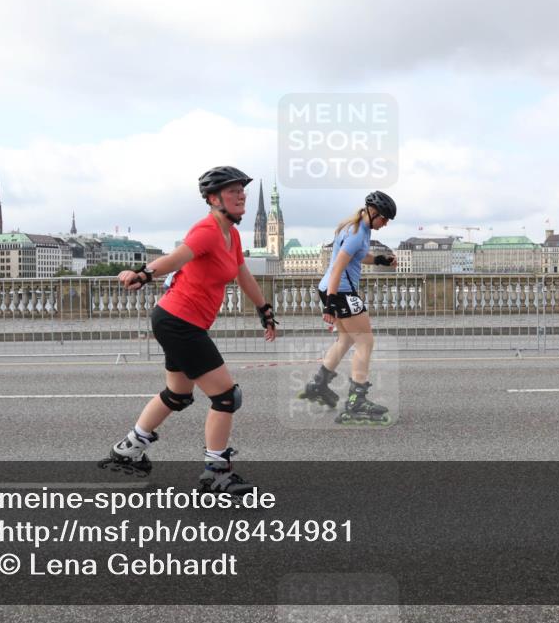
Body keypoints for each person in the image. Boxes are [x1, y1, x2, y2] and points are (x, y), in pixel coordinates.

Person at [103, 166, 278, 494]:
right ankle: (216, 474)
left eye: (242, 190)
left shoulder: (232, 235)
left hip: (178, 321)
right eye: (233, 190)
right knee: (226, 396)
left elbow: (243, 275)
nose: (241, 195)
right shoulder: (207, 230)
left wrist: (264, 309)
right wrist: (143, 274)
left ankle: (128, 449)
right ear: (213, 199)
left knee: (178, 395)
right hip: (179, 322)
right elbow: (177, 257)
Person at [300, 191, 397, 425]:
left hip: (331, 289)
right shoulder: (356, 234)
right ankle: (356, 402)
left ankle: (318, 384)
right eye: (384, 219)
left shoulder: (357, 228)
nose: (385, 224)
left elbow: (357, 256)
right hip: (340, 291)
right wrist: (331, 305)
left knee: (345, 339)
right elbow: (337, 268)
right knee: (365, 342)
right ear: (373, 213)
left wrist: (379, 260)